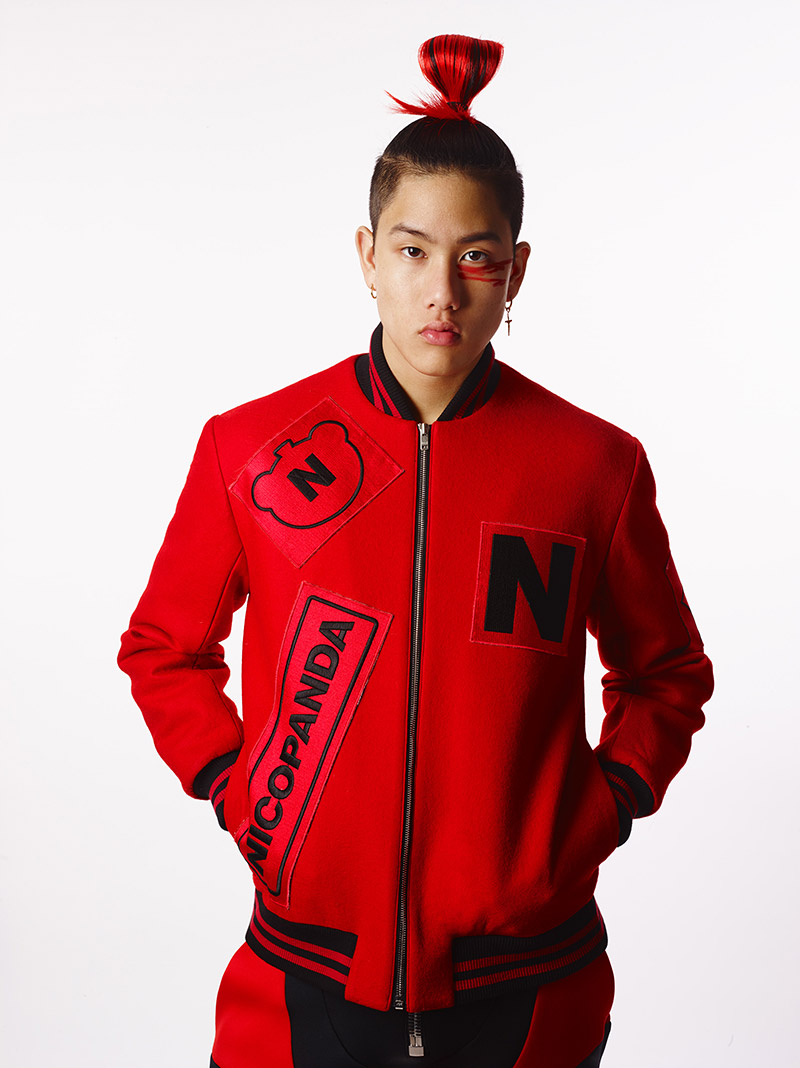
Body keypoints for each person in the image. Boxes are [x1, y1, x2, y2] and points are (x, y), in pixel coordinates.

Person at [118, 34, 714, 1068]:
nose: (443, 289)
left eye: (476, 255)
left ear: (515, 270)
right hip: (300, 977)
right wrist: (237, 788)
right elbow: (163, 649)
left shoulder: (594, 467)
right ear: (366, 257)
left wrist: (601, 809)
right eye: (411, 251)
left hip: (532, 982)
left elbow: (665, 674)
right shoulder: (250, 450)